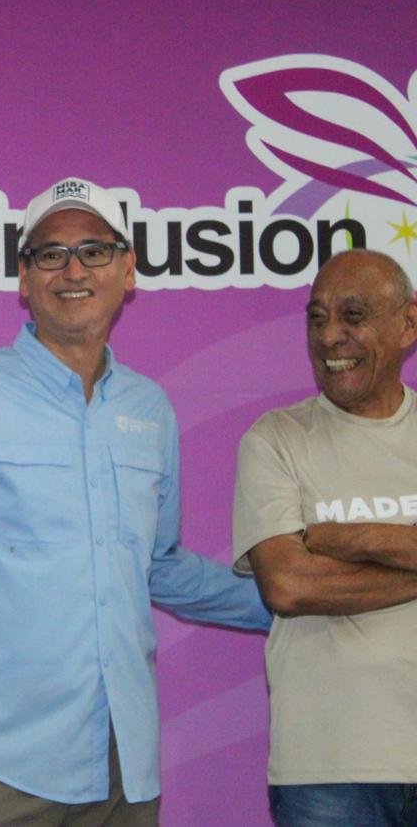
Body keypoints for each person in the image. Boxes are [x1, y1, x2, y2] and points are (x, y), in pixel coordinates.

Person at [0, 177, 271, 824]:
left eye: (94, 251)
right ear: (23, 278)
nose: (73, 270)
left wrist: (293, 603)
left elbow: (159, 565)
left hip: (123, 760)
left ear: (128, 270)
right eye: (50, 254)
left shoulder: (149, 407)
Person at [232, 249, 417, 827]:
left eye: (353, 316)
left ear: (408, 323)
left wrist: (348, 538)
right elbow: (289, 586)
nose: (330, 336)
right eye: (316, 318)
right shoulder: (277, 439)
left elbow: (315, 568)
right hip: (327, 770)